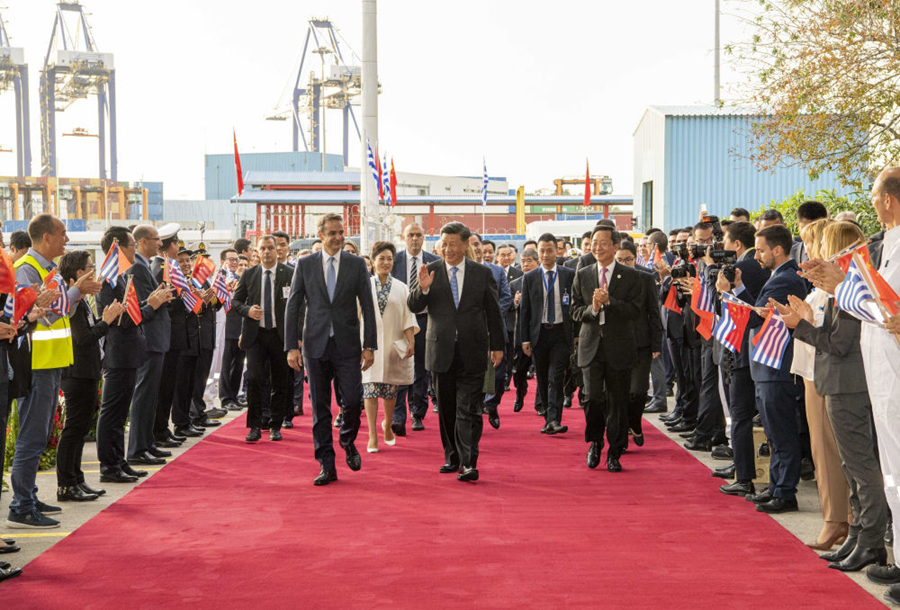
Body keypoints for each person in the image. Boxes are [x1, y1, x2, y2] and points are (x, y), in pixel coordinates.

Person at [781, 221, 888, 571]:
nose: (818, 257)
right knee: (850, 465)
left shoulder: (852, 285)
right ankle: (858, 534)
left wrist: (803, 328)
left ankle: (870, 539)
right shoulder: (844, 286)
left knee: (861, 467)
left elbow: (840, 343)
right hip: (839, 382)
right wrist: (809, 320)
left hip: (849, 384)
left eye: (824, 248)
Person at [7, 214, 102, 529]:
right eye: (62, 234)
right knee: (32, 437)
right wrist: (72, 294)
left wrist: (78, 293)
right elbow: (35, 316)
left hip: (52, 364)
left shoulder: (50, 271)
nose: (67, 240)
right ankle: (21, 504)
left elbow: (61, 310)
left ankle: (29, 496)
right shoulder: (26, 269)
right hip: (36, 365)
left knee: (40, 434)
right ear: (46, 237)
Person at [285, 213, 377, 486]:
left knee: (351, 400)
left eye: (341, 232)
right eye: (333, 233)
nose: (338, 237)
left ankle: (347, 440)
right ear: (321, 235)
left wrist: (369, 345)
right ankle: (326, 463)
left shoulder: (356, 264)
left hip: (348, 345)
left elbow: (368, 306)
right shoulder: (305, 264)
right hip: (315, 345)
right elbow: (293, 306)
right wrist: (291, 347)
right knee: (320, 408)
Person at [408, 221, 504, 482]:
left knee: (469, 408)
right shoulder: (432, 270)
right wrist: (423, 287)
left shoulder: (481, 273)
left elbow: (494, 313)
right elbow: (414, 304)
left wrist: (498, 346)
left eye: (453, 244)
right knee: (448, 408)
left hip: (473, 350)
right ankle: (452, 456)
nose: (447, 249)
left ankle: (469, 462)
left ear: (465, 244)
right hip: (440, 350)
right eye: (444, 244)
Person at [785, 218, 851, 548]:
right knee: (824, 450)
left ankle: (841, 519)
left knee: (834, 452)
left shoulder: (842, 288)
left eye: (816, 244)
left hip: (830, 373)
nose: (811, 252)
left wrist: (804, 322)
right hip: (815, 371)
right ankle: (838, 518)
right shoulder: (824, 289)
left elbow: (832, 337)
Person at [741, 224, 809, 513]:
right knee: (773, 431)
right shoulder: (779, 276)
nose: (757, 255)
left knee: (781, 432)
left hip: (776, 366)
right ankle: (777, 484)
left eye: (760, 249)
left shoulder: (786, 279)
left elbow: (757, 318)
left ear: (777, 250)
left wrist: (737, 293)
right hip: (768, 366)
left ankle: (785, 491)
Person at [570, 225, 642, 472]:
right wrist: (594, 308)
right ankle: (595, 442)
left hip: (619, 346)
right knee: (592, 398)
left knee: (618, 401)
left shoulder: (631, 276)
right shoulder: (583, 274)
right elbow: (575, 311)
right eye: (593, 242)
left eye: (603, 243)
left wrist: (611, 302)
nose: (597, 247)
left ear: (614, 245)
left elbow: (635, 310)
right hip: (591, 346)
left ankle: (615, 451)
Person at [56, 251, 125, 502]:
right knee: (74, 429)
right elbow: (83, 338)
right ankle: (66, 484)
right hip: (76, 372)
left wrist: (105, 319)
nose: (93, 271)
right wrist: (106, 321)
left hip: (87, 371)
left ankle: (77, 480)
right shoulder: (71, 301)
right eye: (89, 267)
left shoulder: (82, 300)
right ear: (77, 273)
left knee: (81, 428)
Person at [232, 236, 294, 443]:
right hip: (256, 336)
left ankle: (276, 425)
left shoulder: (289, 274)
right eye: (263, 249)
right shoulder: (249, 274)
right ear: (257, 252)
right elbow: (236, 301)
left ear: (277, 251)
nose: (267, 252)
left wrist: (298, 336)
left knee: (280, 381)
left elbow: (300, 305)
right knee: (255, 379)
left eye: (270, 248)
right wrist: (247, 310)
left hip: (280, 335)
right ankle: (255, 426)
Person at [127, 225, 176, 467]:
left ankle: (147, 444)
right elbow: (144, 304)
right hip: (149, 338)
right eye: (157, 240)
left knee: (151, 395)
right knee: (144, 395)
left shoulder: (144, 264)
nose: (160, 244)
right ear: (144, 240)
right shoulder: (137, 265)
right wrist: (160, 298)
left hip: (156, 337)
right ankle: (137, 448)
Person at [362, 242, 418, 453]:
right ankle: (372, 434)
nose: (386, 263)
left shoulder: (402, 287)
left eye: (389, 259)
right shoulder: (364, 285)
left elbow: (408, 316)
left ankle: (387, 423)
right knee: (370, 388)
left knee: (389, 390)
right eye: (381, 258)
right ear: (373, 261)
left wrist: (411, 340)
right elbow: (356, 316)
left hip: (394, 345)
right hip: (368, 345)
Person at [520, 233, 575, 435]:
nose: (545, 254)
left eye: (549, 250)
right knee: (542, 377)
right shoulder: (530, 277)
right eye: (541, 251)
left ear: (556, 251)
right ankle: (547, 416)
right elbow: (525, 311)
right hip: (539, 334)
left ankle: (554, 419)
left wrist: (575, 335)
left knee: (556, 377)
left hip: (561, 333)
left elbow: (575, 306)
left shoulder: (568, 274)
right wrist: (524, 338)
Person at [390, 223, 439, 435]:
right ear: (403, 237)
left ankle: (417, 413)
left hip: (425, 321)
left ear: (424, 237)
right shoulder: (394, 261)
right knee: (398, 369)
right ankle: (398, 417)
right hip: (399, 323)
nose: (415, 239)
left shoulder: (435, 263)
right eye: (411, 235)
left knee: (421, 370)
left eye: (419, 235)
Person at [614, 241, 662, 447]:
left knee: (638, 390)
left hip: (641, 342)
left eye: (628, 259)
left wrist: (656, 344)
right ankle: (622, 432)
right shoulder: (609, 278)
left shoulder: (646, 277)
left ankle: (634, 421)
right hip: (616, 342)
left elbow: (654, 313)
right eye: (620, 260)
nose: (624, 263)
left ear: (636, 258)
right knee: (620, 391)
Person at [469, 233, 511, 430]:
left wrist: (490, 317)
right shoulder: (460, 272)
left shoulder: (496, 271)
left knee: (498, 373)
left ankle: (492, 405)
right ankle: (475, 410)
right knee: (475, 373)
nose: (476, 248)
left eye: (477, 244)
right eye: (471, 245)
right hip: (471, 332)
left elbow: (505, 297)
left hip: (493, 329)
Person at [509, 248, 540, 412]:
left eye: (529, 261)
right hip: (521, 334)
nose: (526, 264)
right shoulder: (515, 284)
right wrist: (515, 302)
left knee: (541, 370)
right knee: (519, 370)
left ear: (537, 262)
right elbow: (507, 307)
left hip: (540, 333)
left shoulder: (543, 281)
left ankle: (540, 403)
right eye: (523, 261)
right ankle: (520, 394)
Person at [218, 247, 246, 411]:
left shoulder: (243, 277)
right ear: (224, 262)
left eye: (236, 259)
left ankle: (234, 396)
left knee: (239, 365)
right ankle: (225, 397)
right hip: (227, 326)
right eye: (231, 259)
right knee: (226, 365)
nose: (234, 262)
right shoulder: (220, 279)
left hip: (241, 326)